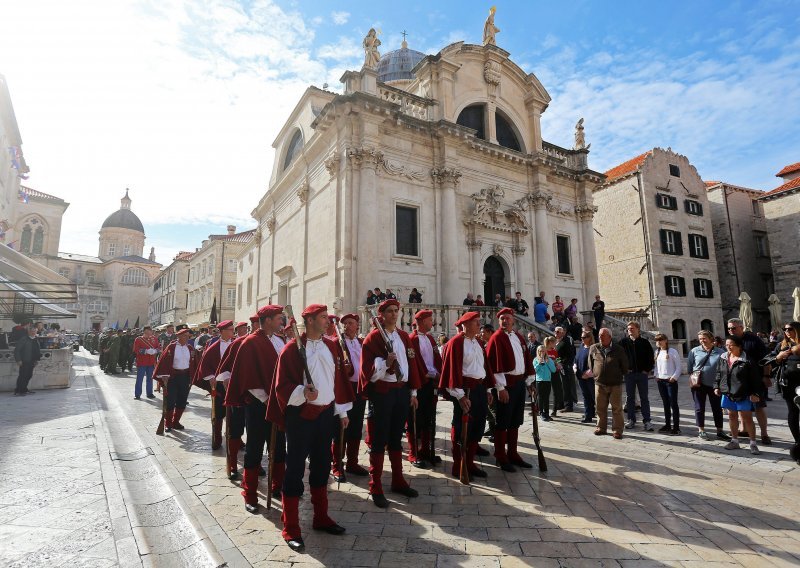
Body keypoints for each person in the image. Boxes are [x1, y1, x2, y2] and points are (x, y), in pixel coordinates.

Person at [266, 304, 354, 552]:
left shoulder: (331, 345)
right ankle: (291, 527)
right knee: (294, 468)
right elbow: (281, 386)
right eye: (324, 318)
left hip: (326, 415)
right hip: (301, 416)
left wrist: (341, 411)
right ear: (311, 320)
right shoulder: (291, 349)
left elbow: (335, 380)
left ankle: (321, 517)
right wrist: (302, 392)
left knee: (322, 464)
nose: (328, 321)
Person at [359, 299, 422, 508]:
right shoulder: (373, 338)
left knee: (396, 438)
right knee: (379, 439)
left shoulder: (404, 336)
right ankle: (375, 485)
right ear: (382, 314)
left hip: (401, 392)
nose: (394, 314)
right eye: (390, 311)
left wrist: (412, 391)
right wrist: (384, 363)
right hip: (383, 393)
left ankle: (398, 480)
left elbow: (410, 363)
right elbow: (368, 370)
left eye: (397, 311)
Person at [224, 305, 286, 512]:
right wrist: (266, 398)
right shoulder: (250, 343)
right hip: (259, 405)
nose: (281, 322)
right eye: (278, 318)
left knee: (278, 447)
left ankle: (278, 485)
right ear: (267, 320)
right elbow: (247, 378)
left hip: (278, 404)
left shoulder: (279, 341)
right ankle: (250, 493)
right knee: (255, 448)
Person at [440, 311, 494, 479]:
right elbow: (451, 371)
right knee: (462, 428)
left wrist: (487, 390)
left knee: (477, 427)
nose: (480, 325)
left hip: (479, 390)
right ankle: (459, 465)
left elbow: (483, 368)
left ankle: (470, 463)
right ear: (466, 324)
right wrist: (460, 396)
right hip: (465, 391)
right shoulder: (455, 343)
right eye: (476, 322)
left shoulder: (478, 342)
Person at [486, 307, 535, 472]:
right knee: (502, 422)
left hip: (519, 384)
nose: (504, 321)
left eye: (507, 318)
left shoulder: (519, 337)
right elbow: (493, 366)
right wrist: (500, 388)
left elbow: (526, 359)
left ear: (513, 320)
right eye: (501, 319)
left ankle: (513, 453)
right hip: (505, 385)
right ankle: (500, 456)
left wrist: (529, 382)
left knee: (515, 420)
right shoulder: (496, 338)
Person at [715, 335, 763, 455]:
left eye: (731, 345)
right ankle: (734, 441)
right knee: (731, 416)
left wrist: (755, 393)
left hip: (743, 393)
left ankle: (753, 443)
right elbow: (718, 373)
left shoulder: (747, 360)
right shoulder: (723, 357)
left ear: (739, 346)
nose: (728, 347)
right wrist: (716, 386)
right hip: (727, 393)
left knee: (747, 418)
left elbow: (755, 378)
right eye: (726, 345)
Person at [726, 318, 771, 445]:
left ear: (741, 327)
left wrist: (766, 376)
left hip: (755, 379)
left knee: (758, 406)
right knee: (740, 406)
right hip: (738, 381)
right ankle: (743, 429)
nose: (731, 330)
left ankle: (764, 434)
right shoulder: (731, 341)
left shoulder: (754, 340)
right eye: (729, 328)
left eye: (733, 328)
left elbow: (765, 359)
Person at [408, 309, 442, 468]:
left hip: (430, 383)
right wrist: (428, 375)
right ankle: (414, 452)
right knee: (415, 419)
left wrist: (439, 375)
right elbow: (414, 362)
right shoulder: (412, 339)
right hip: (418, 383)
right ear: (421, 322)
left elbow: (437, 359)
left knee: (429, 418)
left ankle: (427, 450)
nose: (432, 323)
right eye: (429, 320)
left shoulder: (430, 338)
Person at [194, 320, 236, 450]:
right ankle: (216, 438)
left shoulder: (236, 345)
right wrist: (211, 377)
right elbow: (204, 364)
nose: (232, 332)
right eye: (230, 329)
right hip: (218, 386)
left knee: (235, 414)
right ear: (223, 331)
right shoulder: (214, 347)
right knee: (218, 413)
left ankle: (235, 439)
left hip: (234, 385)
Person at [338, 313, 369, 477]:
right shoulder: (338, 343)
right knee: (341, 426)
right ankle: (337, 464)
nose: (349, 326)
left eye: (353, 323)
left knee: (356, 426)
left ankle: (352, 462)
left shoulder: (361, 342)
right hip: (345, 388)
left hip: (359, 388)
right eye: (347, 323)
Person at [154, 328, 199, 432]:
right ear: (179, 336)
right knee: (170, 400)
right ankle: (168, 423)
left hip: (185, 377)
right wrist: (164, 376)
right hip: (172, 377)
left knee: (182, 400)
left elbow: (194, 363)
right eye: (185, 336)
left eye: (188, 336)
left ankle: (176, 422)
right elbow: (164, 361)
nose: (188, 338)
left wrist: (192, 377)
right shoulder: (172, 347)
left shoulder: (190, 348)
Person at [687, 330, 729, 441]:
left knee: (717, 408)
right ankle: (701, 430)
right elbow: (690, 368)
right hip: (699, 384)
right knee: (699, 408)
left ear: (711, 339)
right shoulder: (694, 351)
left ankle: (720, 430)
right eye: (700, 339)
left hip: (715, 385)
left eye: (704, 338)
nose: (702, 341)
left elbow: (724, 369)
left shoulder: (720, 352)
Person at [589, 328, 629, 439]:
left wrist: (618, 375)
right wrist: (596, 375)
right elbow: (591, 364)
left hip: (615, 383)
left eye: (603, 335)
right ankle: (601, 428)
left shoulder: (618, 349)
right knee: (600, 407)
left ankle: (617, 430)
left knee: (616, 408)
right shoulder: (594, 348)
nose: (600, 337)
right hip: (599, 383)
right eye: (599, 335)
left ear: (609, 337)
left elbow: (624, 366)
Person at [771, 322, 800, 460]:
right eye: (785, 329)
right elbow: (769, 361)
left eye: (790, 329)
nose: (787, 331)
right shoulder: (782, 346)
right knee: (793, 412)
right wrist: (778, 357)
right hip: (788, 385)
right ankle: (798, 442)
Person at [619, 322, 655, 431]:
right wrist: (624, 369)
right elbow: (619, 357)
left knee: (644, 398)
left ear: (638, 329)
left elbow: (650, 357)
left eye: (632, 328)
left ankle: (647, 421)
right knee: (630, 398)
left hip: (641, 374)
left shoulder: (644, 342)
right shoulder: (623, 342)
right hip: (629, 375)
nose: (630, 330)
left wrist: (646, 370)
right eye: (628, 328)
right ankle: (631, 419)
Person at [653, 334, 681, 435]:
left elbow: (678, 366)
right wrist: (656, 375)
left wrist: (674, 377)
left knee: (673, 404)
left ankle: (676, 427)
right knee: (665, 404)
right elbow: (656, 365)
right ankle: (667, 424)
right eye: (657, 341)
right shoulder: (657, 352)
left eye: (661, 340)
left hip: (670, 381)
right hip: (661, 381)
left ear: (666, 340)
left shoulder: (673, 351)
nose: (659, 342)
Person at [574, 330, 596, 423]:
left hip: (590, 378)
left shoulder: (594, 348)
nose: (582, 339)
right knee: (586, 397)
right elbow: (576, 359)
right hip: (580, 376)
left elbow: (596, 363)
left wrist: (587, 374)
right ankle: (588, 415)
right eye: (581, 337)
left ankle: (598, 414)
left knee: (594, 397)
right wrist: (574, 367)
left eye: (584, 337)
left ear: (589, 338)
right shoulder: (582, 347)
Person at [13, 324, 40, 396]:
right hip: (24, 360)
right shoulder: (24, 339)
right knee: (23, 375)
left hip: (32, 360)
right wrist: (18, 360)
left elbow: (36, 350)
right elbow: (17, 350)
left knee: (29, 375)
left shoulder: (35, 339)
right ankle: (18, 390)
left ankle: (24, 389)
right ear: (28, 332)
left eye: (34, 331)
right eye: (32, 331)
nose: (33, 332)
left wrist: (36, 360)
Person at [133, 326, 159, 400]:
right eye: (148, 330)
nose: (150, 332)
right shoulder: (138, 339)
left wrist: (155, 351)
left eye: (150, 330)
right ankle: (137, 394)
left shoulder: (154, 339)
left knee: (150, 379)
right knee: (139, 378)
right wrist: (146, 351)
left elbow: (159, 347)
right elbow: (136, 349)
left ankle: (149, 393)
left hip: (151, 362)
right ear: (145, 331)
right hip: (142, 362)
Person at [555, 327, 577, 412]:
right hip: (558, 366)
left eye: (558, 332)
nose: (556, 333)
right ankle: (561, 404)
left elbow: (570, 355)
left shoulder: (566, 341)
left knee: (566, 386)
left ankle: (568, 406)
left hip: (565, 366)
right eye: (555, 332)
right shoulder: (556, 341)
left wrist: (562, 363)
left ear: (562, 333)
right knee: (560, 387)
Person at [533, 346, 557, 421]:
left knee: (546, 397)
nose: (542, 353)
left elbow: (553, 370)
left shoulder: (549, 359)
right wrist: (539, 364)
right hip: (539, 381)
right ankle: (541, 413)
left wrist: (548, 362)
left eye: (543, 351)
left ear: (545, 351)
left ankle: (546, 413)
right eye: (540, 351)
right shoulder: (535, 360)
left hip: (547, 381)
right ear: (538, 351)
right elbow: (534, 370)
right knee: (540, 397)